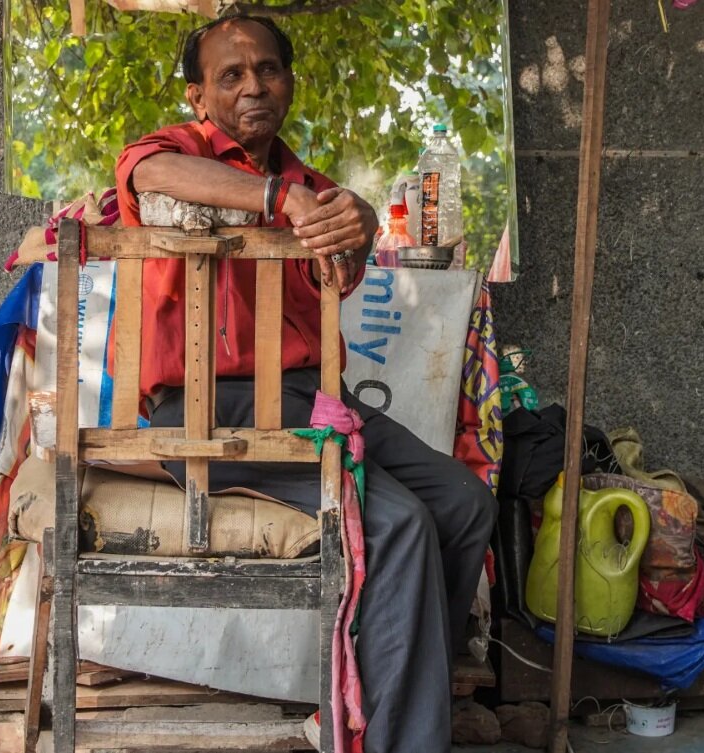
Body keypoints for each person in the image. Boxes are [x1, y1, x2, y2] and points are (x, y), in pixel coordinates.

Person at [113, 14, 497, 753]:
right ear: (198, 95)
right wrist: (273, 201)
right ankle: (400, 740)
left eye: (267, 70)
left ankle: (374, 701)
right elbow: (146, 174)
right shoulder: (172, 151)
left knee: (460, 501)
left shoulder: (311, 184)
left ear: (288, 82)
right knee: (397, 524)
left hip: (313, 407)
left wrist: (352, 220)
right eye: (230, 75)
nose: (253, 85)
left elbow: (346, 247)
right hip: (205, 412)